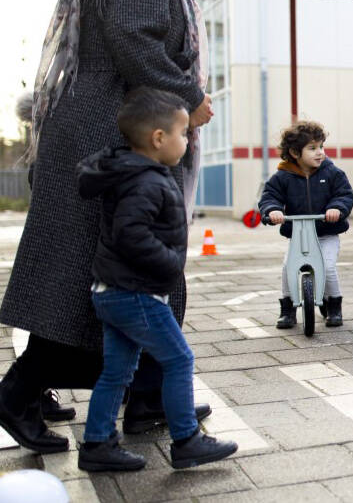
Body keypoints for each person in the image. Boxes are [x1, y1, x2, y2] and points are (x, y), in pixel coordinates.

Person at [0, 0, 213, 454]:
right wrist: (190, 99)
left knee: (109, 263)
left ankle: (147, 394)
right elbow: (136, 40)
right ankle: (18, 394)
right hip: (115, 124)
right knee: (112, 267)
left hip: (102, 119)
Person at [75, 88, 237, 471]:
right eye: (183, 133)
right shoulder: (147, 180)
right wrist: (168, 265)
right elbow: (132, 233)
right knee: (178, 359)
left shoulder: (132, 172)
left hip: (113, 291)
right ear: (158, 138)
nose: (187, 140)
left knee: (117, 371)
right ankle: (186, 440)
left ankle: (97, 444)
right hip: (136, 294)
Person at [259, 121, 353, 328]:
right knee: (288, 268)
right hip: (299, 236)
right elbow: (269, 197)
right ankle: (288, 309)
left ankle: (334, 306)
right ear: (294, 152)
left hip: (326, 234)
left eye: (321, 146)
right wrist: (273, 210)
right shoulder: (283, 176)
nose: (320, 152)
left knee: (327, 267)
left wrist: (337, 208)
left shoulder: (331, 173)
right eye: (312, 148)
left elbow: (344, 194)